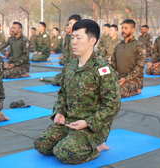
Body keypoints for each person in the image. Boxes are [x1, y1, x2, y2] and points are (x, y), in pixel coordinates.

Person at [34, 19, 121, 164]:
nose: (73, 42)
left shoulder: (102, 70)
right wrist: (60, 113)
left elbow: (112, 106)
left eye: (78, 38)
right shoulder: (70, 66)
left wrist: (87, 122)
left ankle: (97, 146)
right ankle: (71, 139)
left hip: (91, 127)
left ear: (92, 41)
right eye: (72, 37)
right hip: (69, 122)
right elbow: (62, 95)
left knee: (63, 153)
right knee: (41, 144)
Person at [111, 19, 146, 98]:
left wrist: (126, 78)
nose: (123, 30)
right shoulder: (118, 46)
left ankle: (137, 90)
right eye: (122, 28)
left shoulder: (139, 46)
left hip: (134, 79)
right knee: (101, 89)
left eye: (126, 28)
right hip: (119, 78)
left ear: (132, 30)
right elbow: (112, 65)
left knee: (117, 92)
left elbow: (139, 67)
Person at [50, 14, 81, 86]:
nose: (69, 26)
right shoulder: (70, 37)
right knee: (55, 80)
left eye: (71, 24)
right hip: (69, 67)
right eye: (69, 23)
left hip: (77, 70)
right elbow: (67, 55)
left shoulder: (81, 38)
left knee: (63, 82)